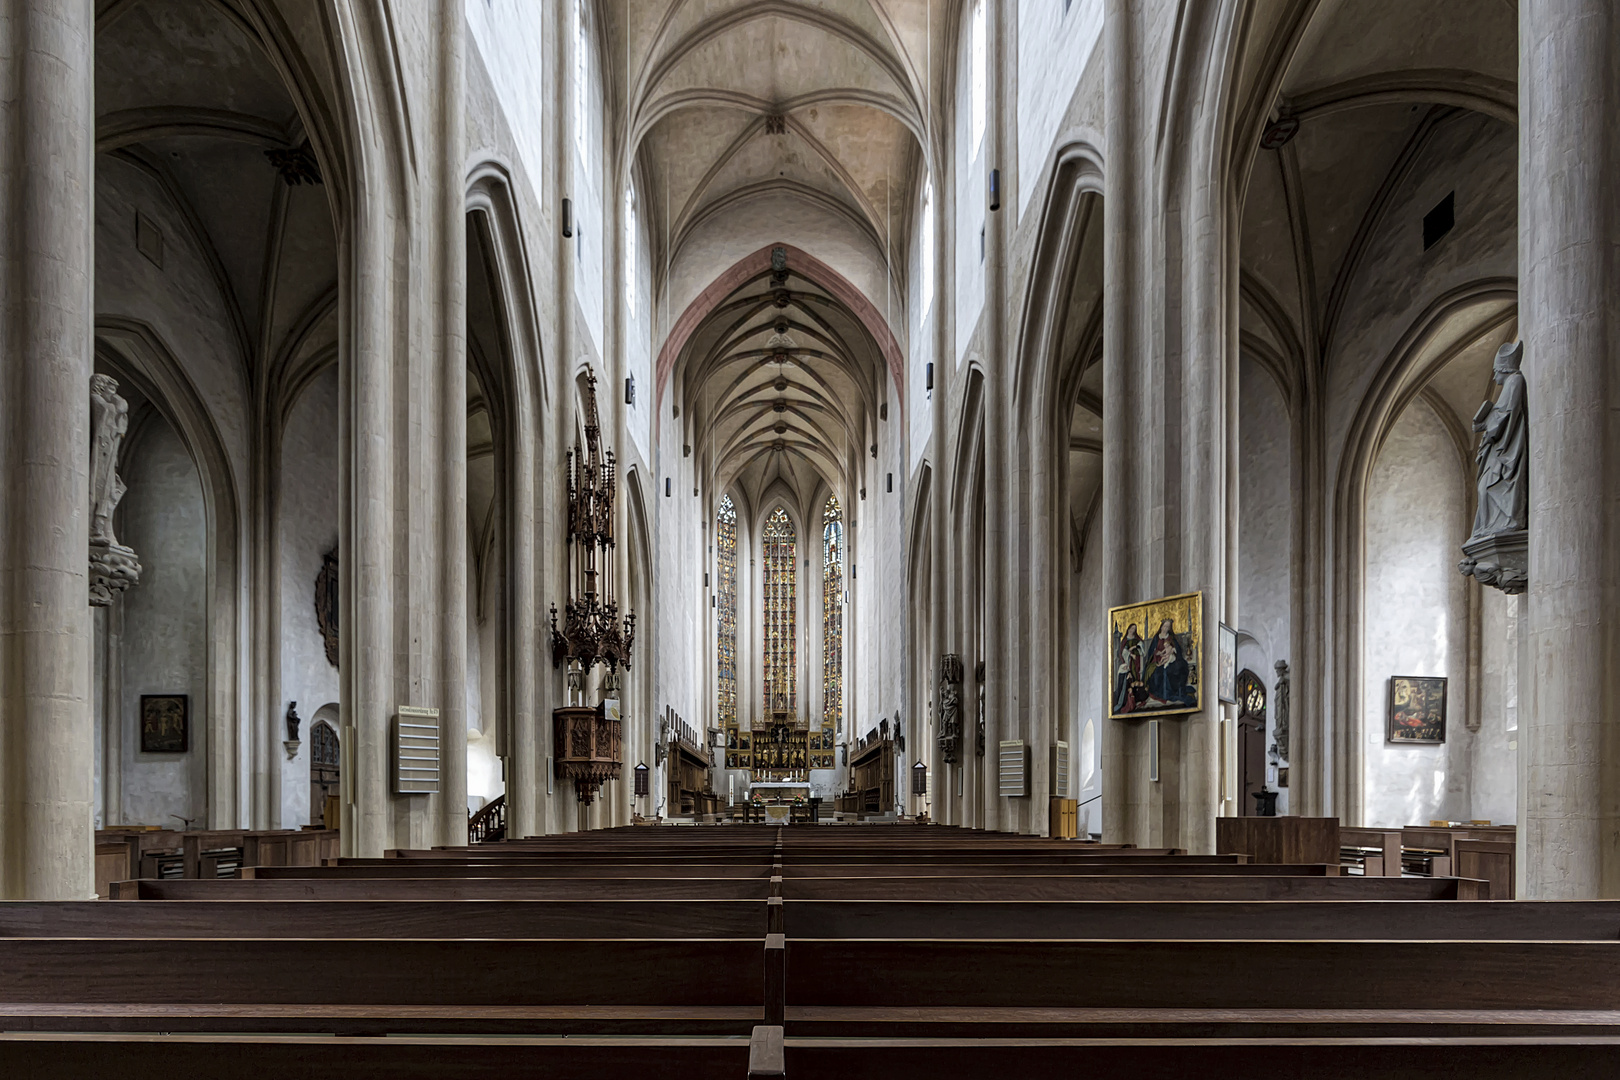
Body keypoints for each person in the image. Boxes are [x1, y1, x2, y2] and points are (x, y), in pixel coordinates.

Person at [1145, 618, 1190, 705]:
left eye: (1168, 627)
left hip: (1170, 658)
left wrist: (1173, 650)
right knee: (1157, 673)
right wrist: (1157, 653)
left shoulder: (1171, 637)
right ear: (1161, 627)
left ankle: (1173, 692)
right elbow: (1151, 651)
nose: (1166, 628)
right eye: (1164, 626)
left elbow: (1177, 649)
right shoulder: (1156, 638)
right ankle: (1161, 694)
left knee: (1178, 668)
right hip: (1156, 659)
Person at [1113, 623, 1145, 713]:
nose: (1132, 630)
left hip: (1135, 663)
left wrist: (1135, 648)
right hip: (1127, 662)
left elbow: (1142, 650)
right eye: (1131, 628)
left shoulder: (1137, 640)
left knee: (1135, 678)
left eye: (1134, 629)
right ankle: (1126, 699)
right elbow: (1121, 652)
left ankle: (1135, 698)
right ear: (1128, 628)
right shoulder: (1124, 640)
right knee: (1126, 679)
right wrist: (1130, 654)